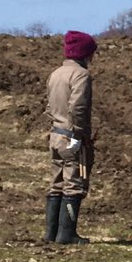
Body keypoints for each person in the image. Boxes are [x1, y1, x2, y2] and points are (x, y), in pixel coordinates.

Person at [45, 30, 99, 244]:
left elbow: (50, 107)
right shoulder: (81, 76)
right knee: (74, 182)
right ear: (85, 54)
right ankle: (67, 234)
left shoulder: (55, 73)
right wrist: (79, 135)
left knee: (56, 182)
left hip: (55, 135)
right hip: (71, 137)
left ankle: (51, 233)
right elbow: (78, 107)